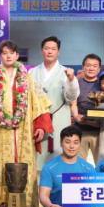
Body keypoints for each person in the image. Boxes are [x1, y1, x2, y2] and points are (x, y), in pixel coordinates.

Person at [0, 40, 52, 207]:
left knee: (24, 161)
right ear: (0, 56)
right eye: (4, 53)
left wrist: (40, 125)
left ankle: (25, 203)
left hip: (23, 129)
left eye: (11, 53)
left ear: (17, 55)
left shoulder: (27, 77)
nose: (8, 56)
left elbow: (40, 102)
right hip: (0, 130)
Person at [29, 36, 79, 170]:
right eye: (46, 48)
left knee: (60, 154)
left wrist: (71, 80)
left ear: (58, 52)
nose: (50, 51)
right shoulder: (32, 72)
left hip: (59, 119)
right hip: (38, 120)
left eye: (53, 49)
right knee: (37, 158)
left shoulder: (66, 72)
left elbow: (71, 98)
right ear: (42, 51)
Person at [70, 53, 103, 162]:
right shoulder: (76, 83)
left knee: (101, 163)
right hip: (79, 131)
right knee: (78, 164)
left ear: (99, 69)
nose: (91, 68)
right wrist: (76, 116)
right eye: (88, 65)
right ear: (83, 67)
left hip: (99, 132)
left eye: (94, 66)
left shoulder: (103, 84)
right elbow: (73, 103)